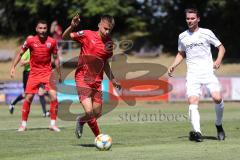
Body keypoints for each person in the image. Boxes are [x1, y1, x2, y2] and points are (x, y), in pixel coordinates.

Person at [168, 8, 226, 142]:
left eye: (192, 18)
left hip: (207, 72)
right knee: (193, 101)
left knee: (217, 98)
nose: (190, 20)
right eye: (188, 18)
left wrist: (217, 61)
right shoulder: (182, 36)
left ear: (198, 19)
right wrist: (173, 65)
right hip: (192, 74)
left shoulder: (206, 32)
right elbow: (181, 53)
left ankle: (218, 125)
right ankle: (198, 132)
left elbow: (221, 47)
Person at [62, 14, 121, 139]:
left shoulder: (109, 44)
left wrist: (114, 80)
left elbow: (105, 64)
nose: (107, 31)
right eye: (105, 28)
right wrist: (72, 26)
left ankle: (81, 121)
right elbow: (65, 37)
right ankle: (100, 138)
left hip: (97, 82)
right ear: (99, 25)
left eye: (110, 29)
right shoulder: (87, 35)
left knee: (96, 113)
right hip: (82, 79)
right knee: (90, 112)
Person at [10, 20, 62, 132]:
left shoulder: (52, 42)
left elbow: (56, 58)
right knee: (28, 98)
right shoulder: (30, 41)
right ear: (36, 29)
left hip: (48, 73)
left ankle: (52, 124)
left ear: (47, 29)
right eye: (40, 28)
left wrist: (59, 73)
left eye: (44, 28)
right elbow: (20, 53)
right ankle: (23, 125)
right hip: (34, 74)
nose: (42, 30)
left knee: (54, 96)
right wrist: (13, 67)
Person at [9, 45, 49, 117]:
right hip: (28, 73)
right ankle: (13, 103)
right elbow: (22, 63)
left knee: (41, 91)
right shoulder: (27, 51)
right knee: (26, 95)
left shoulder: (39, 51)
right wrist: (31, 61)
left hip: (37, 73)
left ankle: (45, 112)